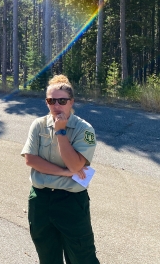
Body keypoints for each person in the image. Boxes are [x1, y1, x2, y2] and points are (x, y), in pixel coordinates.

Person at [21, 74, 100, 264]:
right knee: (47, 257)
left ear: (71, 102)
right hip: (41, 200)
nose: (56, 106)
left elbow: (75, 166)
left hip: (71, 201)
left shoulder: (84, 129)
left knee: (82, 258)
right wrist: (64, 172)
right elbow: (31, 160)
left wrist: (61, 132)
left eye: (62, 101)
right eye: (51, 100)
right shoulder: (38, 125)